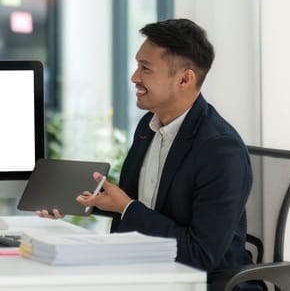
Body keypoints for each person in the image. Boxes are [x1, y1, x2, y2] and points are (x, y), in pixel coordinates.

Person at [36, 18, 260, 290]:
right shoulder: (149, 125)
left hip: (202, 282)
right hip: (146, 271)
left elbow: (201, 255)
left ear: (184, 79)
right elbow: (138, 203)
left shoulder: (221, 150)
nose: (134, 77)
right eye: (137, 65)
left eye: (146, 68)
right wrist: (81, 200)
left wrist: (125, 207)